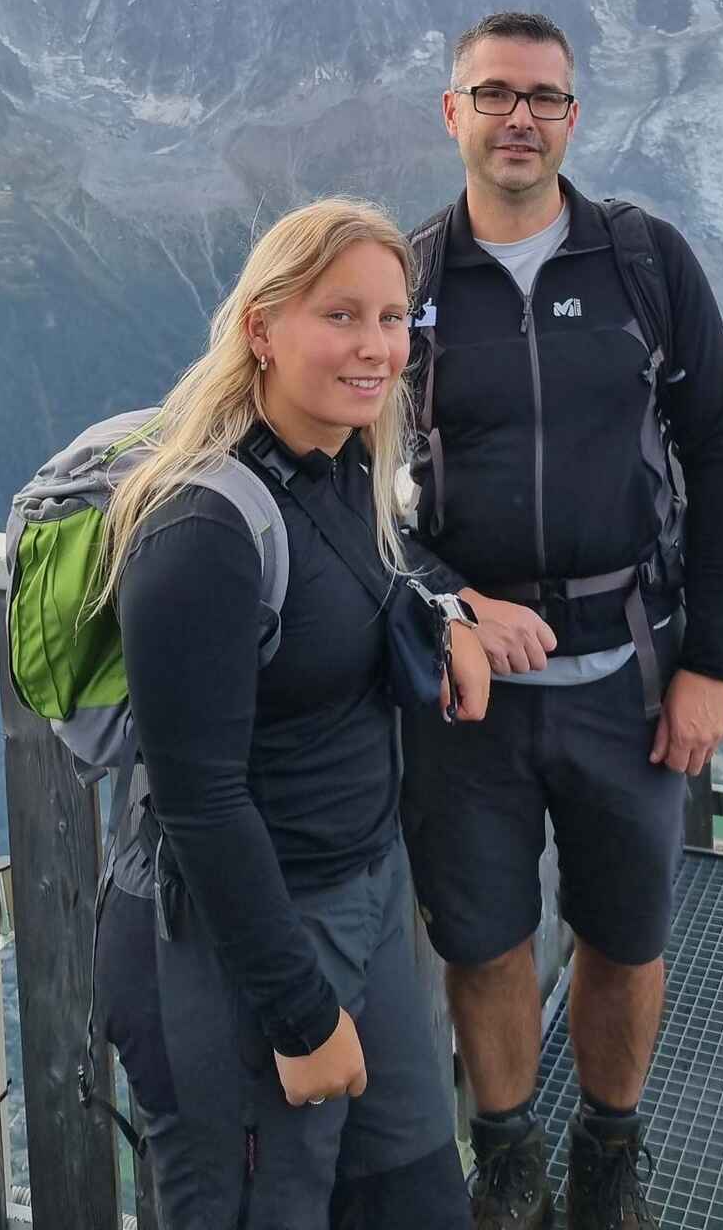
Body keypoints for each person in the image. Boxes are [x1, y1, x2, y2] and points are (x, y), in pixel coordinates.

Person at [402, 11, 723, 1230]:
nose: (520, 116)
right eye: (494, 92)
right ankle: (508, 1160)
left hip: (634, 675)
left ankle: (608, 1155)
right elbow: (358, 490)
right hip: (469, 693)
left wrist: (709, 660)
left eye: (544, 96)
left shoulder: (644, 262)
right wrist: (454, 599)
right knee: (484, 935)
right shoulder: (406, 281)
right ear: (453, 112)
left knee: (624, 934)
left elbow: (716, 450)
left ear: (573, 117)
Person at [91, 198, 489, 1230]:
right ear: (261, 327)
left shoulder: (341, 463)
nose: (376, 346)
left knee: (416, 1200)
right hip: (242, 949)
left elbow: (356, 588)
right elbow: (201, 799)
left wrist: (447, 623)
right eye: (341, 314)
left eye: (395, 317)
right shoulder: (200, 529)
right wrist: (303, 1012)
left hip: (361, 894)